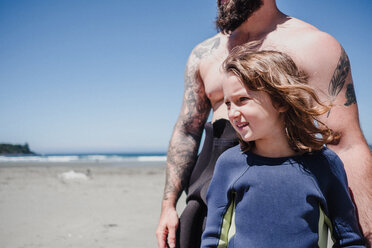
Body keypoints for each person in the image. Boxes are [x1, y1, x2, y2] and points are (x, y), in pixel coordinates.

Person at [156, 0, 372, 247]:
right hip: (208, 194)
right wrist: (168, 206)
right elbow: (187, 130)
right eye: (228, 103)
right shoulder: (203, 54)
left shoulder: (314, 45)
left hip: (291, 181)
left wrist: (368, 232)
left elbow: (346, 143)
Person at [201, 48, 366, 247]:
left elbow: (350, 240)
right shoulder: (229, 164)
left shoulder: (325, 164)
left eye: (242, 100)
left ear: (281, 101)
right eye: (228, 104)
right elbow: (212, 240)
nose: (232, 113)